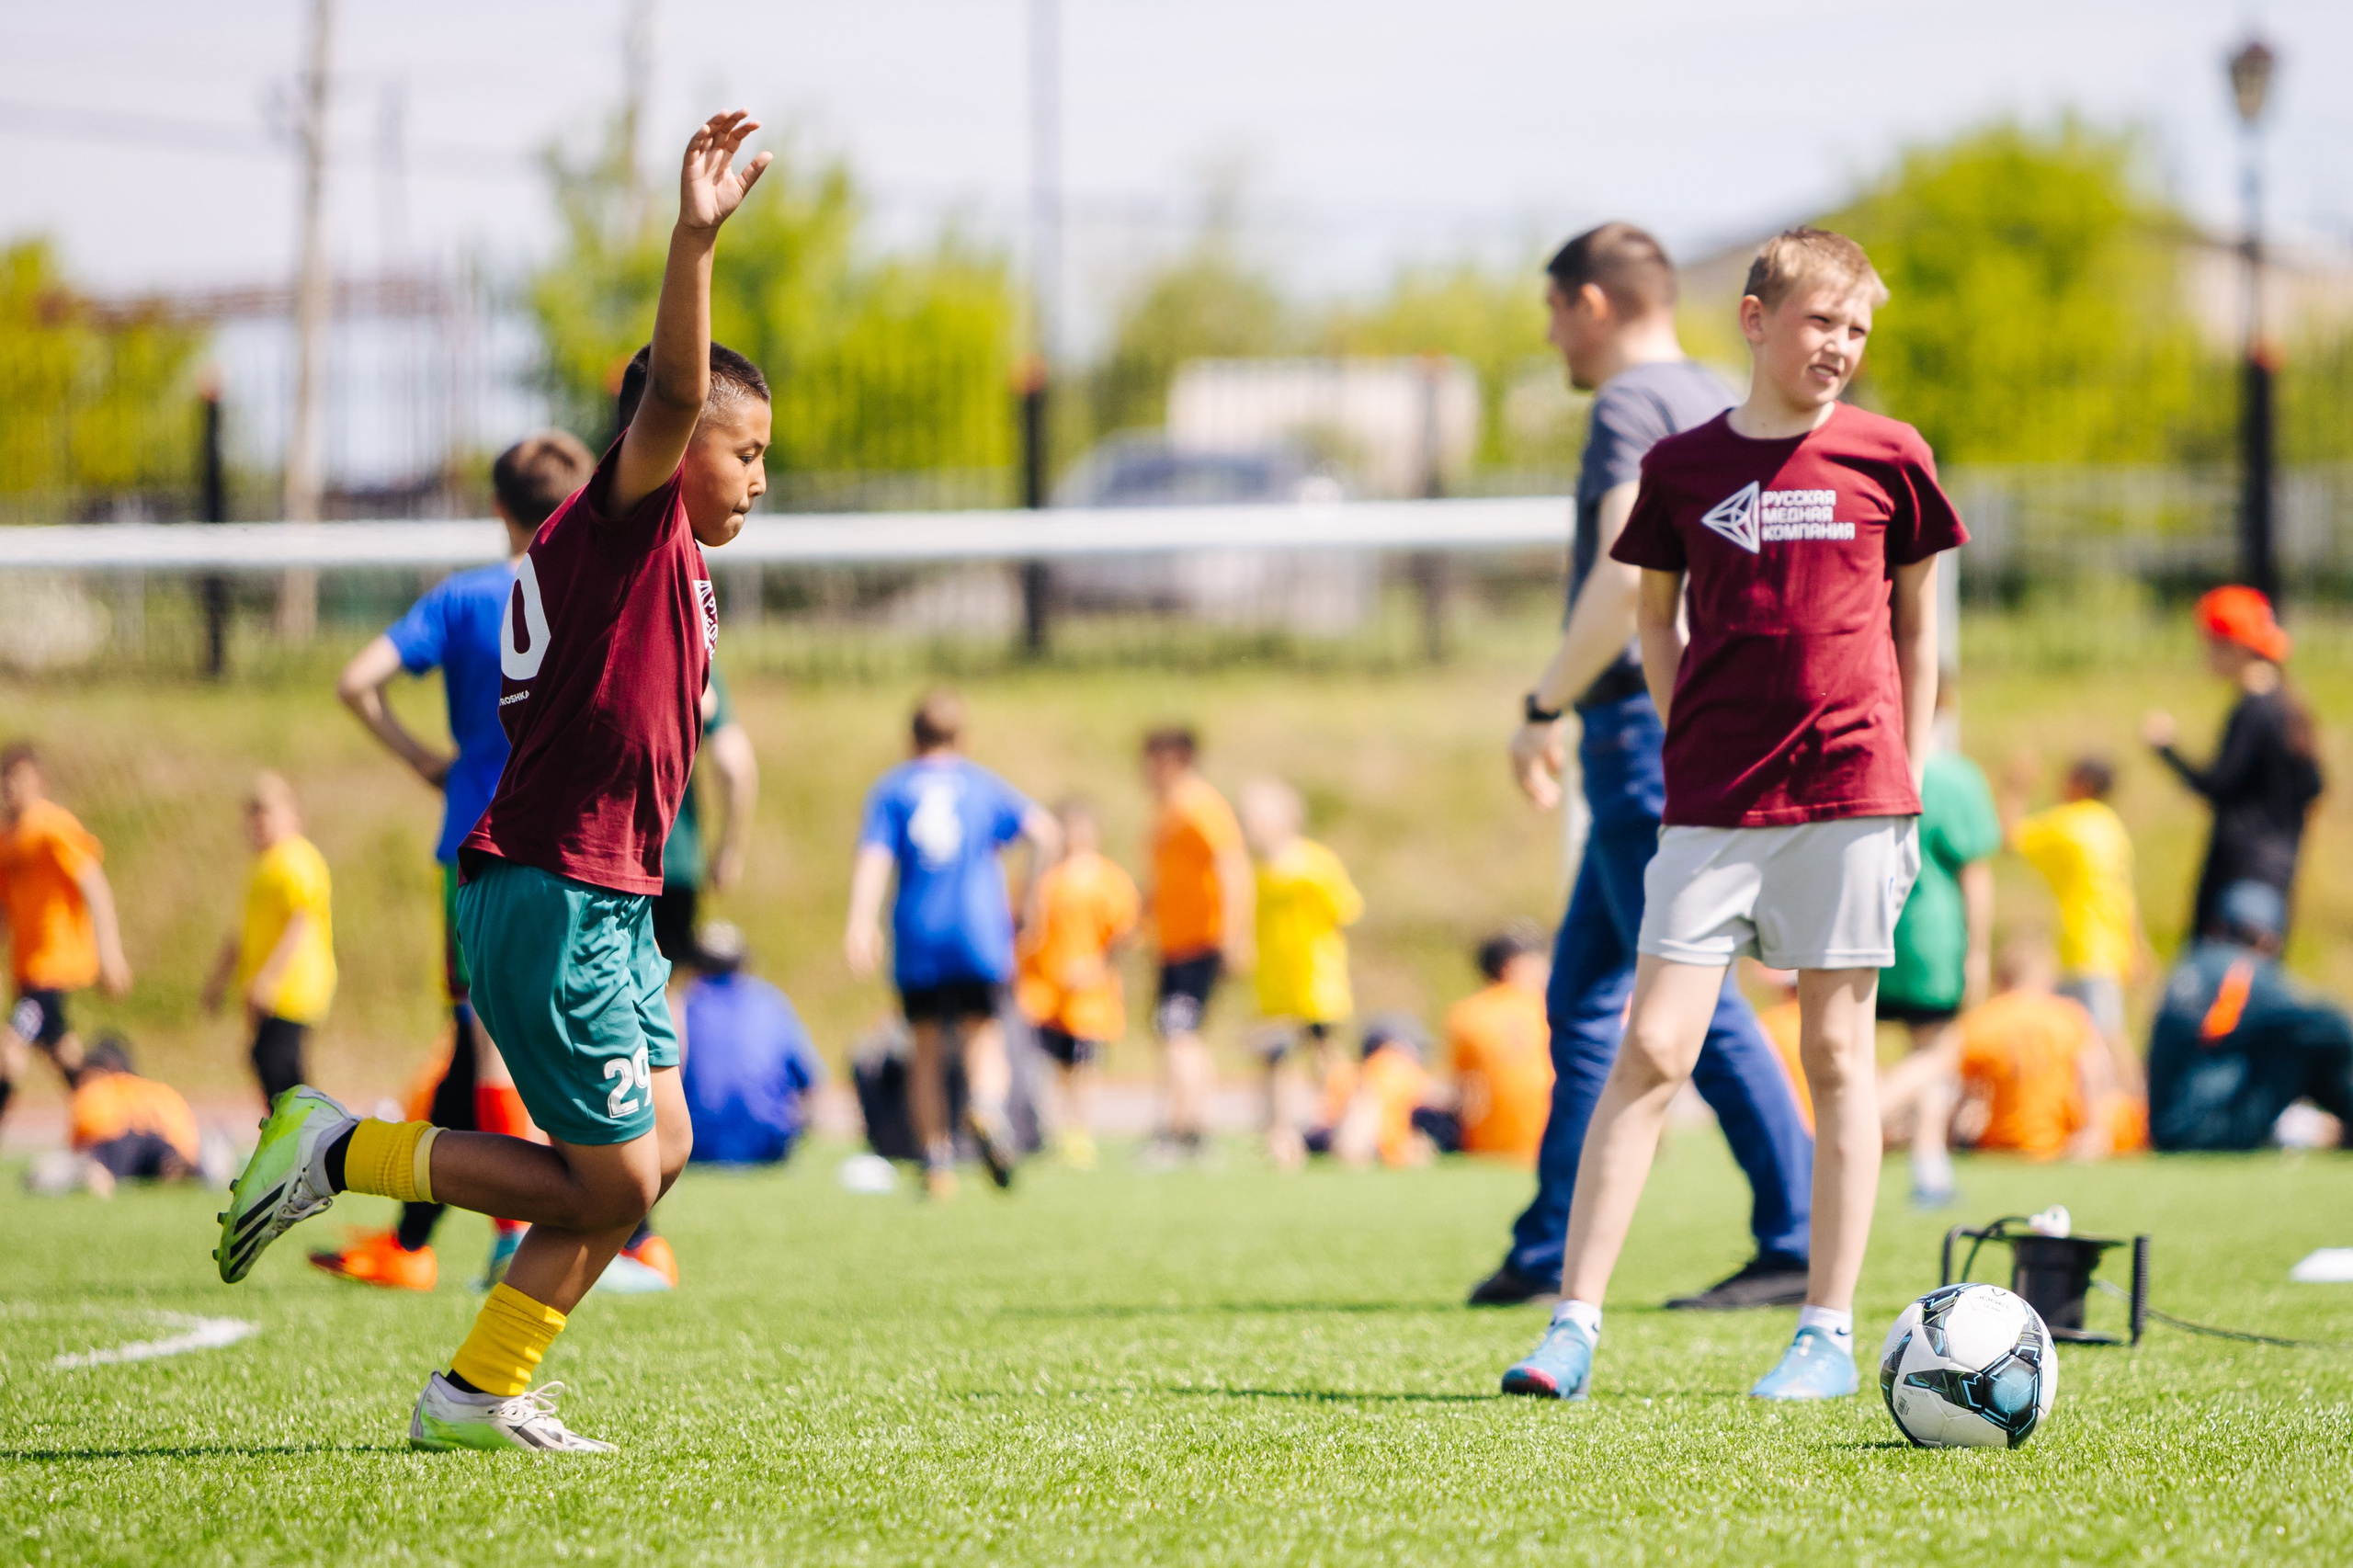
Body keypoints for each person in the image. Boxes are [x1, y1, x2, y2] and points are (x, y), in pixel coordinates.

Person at [213, 110, 775, 1455]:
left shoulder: (675, 565)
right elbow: (676, 394)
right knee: (616, 1176)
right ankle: (338, 1150)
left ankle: (477, 1392)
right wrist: (693, 240)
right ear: (669, 441)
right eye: (745, 448)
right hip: (552, 893)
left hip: (615, 902)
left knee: (662, 1151)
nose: (759, 472)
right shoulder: (624, 524)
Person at [1503, 227, 1965, 1404]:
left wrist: (1905, 774)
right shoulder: (1681, 466)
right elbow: (1652, 617)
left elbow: (1919, 630)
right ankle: (1572, 1323)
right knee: (1651, 1046)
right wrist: (1678, 727)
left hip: (1854, 796)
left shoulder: (1891, 456)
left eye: (1857, 331)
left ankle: (1823, 1330)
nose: (1840, 348)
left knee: (1836, 1053)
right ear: (1756, 321)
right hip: (1709, 799)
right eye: (1820, 322)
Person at [1477, 221, 1815, 1313]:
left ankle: (1796, 1230)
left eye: (1552, 311)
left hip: (1638, 723)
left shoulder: (1628, 404)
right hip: (1705, 714)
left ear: (1592, 303)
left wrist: (1543, 702)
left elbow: (1626, 579)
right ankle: (1544, 1246)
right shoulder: (1724, 392)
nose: (1550, 334)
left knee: (1684, 994)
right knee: (1585, 992)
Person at [314, 430, 592, 1294]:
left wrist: (421, 757)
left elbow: (357, 680)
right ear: (580, 503)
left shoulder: (464, 599)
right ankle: (448, 1236)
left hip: (479, 844)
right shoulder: (595, 590)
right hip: (584, 847)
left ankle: (509, 1235)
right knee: (578, 1034)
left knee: (486, 1039)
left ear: (498, 508)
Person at [845, 688, 1060, 1198]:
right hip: (978, 932)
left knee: (923, 1048)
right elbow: (1046, 833)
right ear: (961, 736)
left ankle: (937, 1163)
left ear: (910, 738)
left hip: (919, 931)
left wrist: (860, 922)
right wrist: (1031, 902)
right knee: (982, 1035)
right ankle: (985, 1107)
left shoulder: (893, 790)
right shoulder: (981, 785)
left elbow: (874, 858)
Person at [1875, 679, 2000, 1207]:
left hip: (1877, 926)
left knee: (1902, 1047)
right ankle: (1864, 1117)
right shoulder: (1953, 776)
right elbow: (1975, 873)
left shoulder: (1873, 764)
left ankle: (1930, 1165)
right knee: (1938, 1048)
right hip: (1933, 934)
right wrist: (1979, 950)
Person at [2143, 585, 2324, 943]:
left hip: (2240, 874)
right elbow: (2314, 787)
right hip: (2278, 873)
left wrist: (2166, 750)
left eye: (2210, 643)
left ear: (2237, 647)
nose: (2204, 655)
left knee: (2221, 987)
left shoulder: (2254, 710)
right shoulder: (2287, 706)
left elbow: (2218, 785)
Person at [2147, 881, 2353, 1152]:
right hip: (2205, 1131)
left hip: (2164, 1131)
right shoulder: (2243, 971)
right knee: (2303, 1044)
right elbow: (2330, 1024)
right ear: (2267, 939)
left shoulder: (2190, 963)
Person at [1880, 938, 2123, 1165]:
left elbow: (1940, 1073)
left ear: (2002, 980)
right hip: (2056, 1143)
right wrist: (2093, 1131)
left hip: (2000, 1144)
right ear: (2047, 979)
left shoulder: (1984, 1021)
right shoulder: (2070, 1018)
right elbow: (2093, 1073)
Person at [0, 741, 131, 1129]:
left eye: (18, 777)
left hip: (52, 968)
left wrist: (109, 951)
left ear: (39, 782)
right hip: (27, 970)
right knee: (66, 1057)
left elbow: (93, 882)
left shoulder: (51, 826)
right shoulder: (9, 839)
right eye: (5, 777)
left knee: (9, 1049)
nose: (9, 785)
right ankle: (118, 1120)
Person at [2000, 753, 2149, 1085]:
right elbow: (2125, 895)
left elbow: (2009, 839)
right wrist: (2138, 948)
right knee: (2102, 1035)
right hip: (2111, 946)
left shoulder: (2072, 823)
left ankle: (2140, 1111)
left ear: (2082, 783)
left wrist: (2016, 788)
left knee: (2102, 1040)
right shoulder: (2111, 826)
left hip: (2083, 946)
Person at [1140, 727, 1252, 1159]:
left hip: (1198, 941)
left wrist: (1232, 933)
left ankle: (1182, 1130)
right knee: (1182, 1032)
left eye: (1153, 759)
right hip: (1173, 942)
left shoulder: (1199, 805)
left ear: (1176, 758)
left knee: (1177, 1030)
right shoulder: (1169, 810)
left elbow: (1230, 866)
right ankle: (1194, 1127)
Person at [1239, 778, 1362, 1167]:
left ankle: (1348, 1129)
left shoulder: (1315, 864)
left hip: (1315, 982)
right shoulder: (1254, 871)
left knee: (1324, 1056)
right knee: (1274, 1061)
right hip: (1274, 984)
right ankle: (1280, 1138)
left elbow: (1344, 911)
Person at [1014, 797, 1140, 1168]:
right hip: (1044, 991)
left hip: (1089, 994)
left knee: (1084, 1065)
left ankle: (1080, 1132)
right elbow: (1022, 925)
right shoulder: (1043, 878)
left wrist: (1097, 965)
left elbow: (1126, 932)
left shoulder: (1109, 879)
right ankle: (1052, 1130)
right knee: (1051, 1065)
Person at [203, 773, 335, 1109]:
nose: (259, 821)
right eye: (253, 812)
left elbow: (301, 919)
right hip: (271, 988)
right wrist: (221, 979)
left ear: (294, 815)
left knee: (278, 1062)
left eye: (267, 811)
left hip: (294, 986)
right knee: (268, 1061)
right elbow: (243, 932)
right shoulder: (263, 865)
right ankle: (299, 1134)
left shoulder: (295, 859)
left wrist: (269, 977)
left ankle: (313, 1134)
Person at [678, 922, 825, 1165]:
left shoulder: (682, 1005)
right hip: (767, 1145)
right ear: (743, 962)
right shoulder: (769, 1001)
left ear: (696, 965)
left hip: (695, 1145)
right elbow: (810, 1081)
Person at [655, 667, 757, 969]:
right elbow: (735, 763)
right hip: (675, 856)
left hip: (594, 856)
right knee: (666, 987)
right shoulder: (693, 654)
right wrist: (730, 849)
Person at [24, 1033, 210, 1197]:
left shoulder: (97, 1089)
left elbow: (81, 1139)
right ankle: (174, 1168)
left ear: (105, 1069)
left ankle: (98, 1177)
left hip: (113, 1136)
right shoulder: (159, 1091)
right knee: (171, 1159)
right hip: (163, 1138)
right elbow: (188, 1138)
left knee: (90, 1166)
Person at [1435, 926, 1555, 1165]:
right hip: (1557, 1139)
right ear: (1513, 966)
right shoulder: (1554, 1008)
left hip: (1487, 1146)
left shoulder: (1466, 1013)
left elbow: (1459, 1091)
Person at [1313, 1016, 1438, 1168]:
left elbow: (1323, 1119)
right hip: (1383, 1148)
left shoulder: (1346, 1073)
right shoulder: (1396, 1068)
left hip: (1343, 1144)